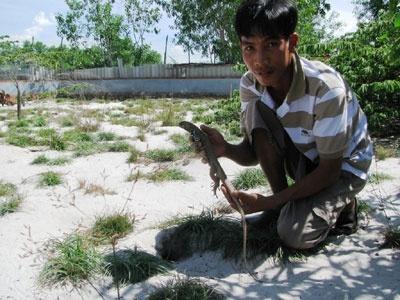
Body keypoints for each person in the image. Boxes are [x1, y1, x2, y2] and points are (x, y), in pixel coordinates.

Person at [198, 0, 373, 250]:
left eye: (270, 44)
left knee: (295, 236)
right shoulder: (251, 85)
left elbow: (330, 170)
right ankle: (284, 207)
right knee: (259, 109)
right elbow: (253, 154)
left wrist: (266, 202)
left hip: (343, 166)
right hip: (307, 152)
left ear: (291, 43)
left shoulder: (326, 89)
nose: (259, 60)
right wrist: (225, 149)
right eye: (249, 47)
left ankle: (345, 206)